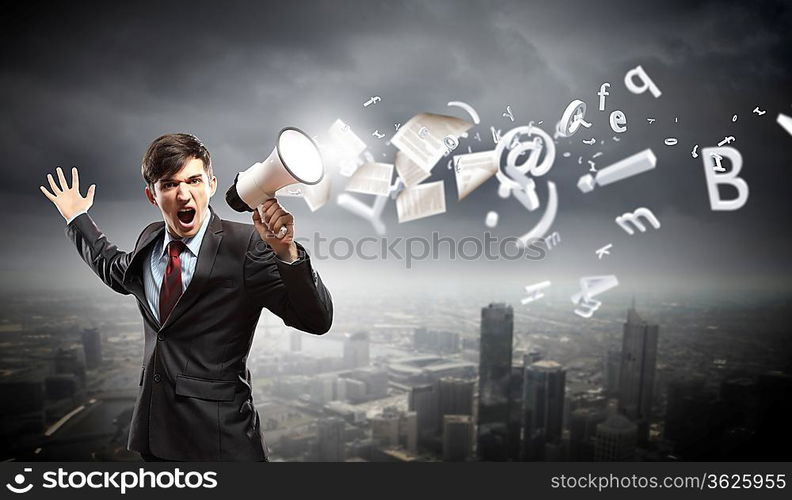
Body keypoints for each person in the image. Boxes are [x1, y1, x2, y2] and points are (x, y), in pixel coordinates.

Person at [39, 133, 333, 461]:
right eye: (169, 184)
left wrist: (287, 252)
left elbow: (315, 320)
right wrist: (76, 217)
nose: (183, 194)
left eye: (194, 180)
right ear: (152, 195)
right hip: (155, 438)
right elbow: (114, 269)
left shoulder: (246, 245)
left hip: (222, 442)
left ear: (211, 184)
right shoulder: (150, 240)